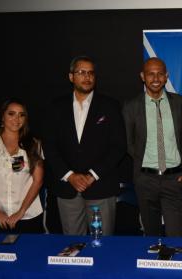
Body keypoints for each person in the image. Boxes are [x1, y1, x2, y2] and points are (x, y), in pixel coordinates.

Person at [43, 56, 126, 236]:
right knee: (73, 247)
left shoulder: (110, 106)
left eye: (91, 73)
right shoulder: (56, 107)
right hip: (68, 189)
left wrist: (92, 175)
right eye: (81, 72)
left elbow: (118, 146)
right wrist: (69, 175)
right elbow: (50, 146)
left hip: (101, 186)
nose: (87, 77)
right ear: (71, 77)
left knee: (103, 244)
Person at [122, 57, 182, 237]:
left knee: (176, 235)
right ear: (142, 76)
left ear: (166, 76)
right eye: (150, 74)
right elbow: (129, 143)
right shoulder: (131, 106)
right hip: (145, 180)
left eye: (160, 73)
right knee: (151, 234)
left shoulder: (179, 102)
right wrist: (144, 166)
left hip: (173, 179)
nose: (155, 78)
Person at [0, 98, 44, 233]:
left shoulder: (34, 144)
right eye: (11, 114)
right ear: (2, 116)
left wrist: (21, 212)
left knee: (29, 253)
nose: (17, 119)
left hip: (28, 215)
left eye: (21, 115)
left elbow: (38, 181)